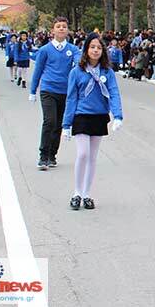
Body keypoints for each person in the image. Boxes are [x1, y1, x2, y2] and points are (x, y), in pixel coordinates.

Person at [62, 33, 123, 210]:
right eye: (92, 47)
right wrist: (66, 125)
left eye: (98, 47)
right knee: (83, 154)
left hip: (99, 116)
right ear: (86, 50)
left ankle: (87, 194)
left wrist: (118, 116)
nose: (95, 50)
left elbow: (114, 93)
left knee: (93, 157)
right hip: (81, 115)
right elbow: (71, 98)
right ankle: (77, 192)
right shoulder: (76, 71)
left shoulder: (107, 72)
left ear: (103, 51)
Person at [29, 17, 81, 170]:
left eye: (64, 26)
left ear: (67, 30)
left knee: (59, 124)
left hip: (66, 91)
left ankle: (52, 155)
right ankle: (43, 156)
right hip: (48, 90)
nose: (61, 29)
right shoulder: (45, 50)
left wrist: (78, 64)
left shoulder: (73, 49)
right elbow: (37, 70)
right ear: (53, 31)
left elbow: (78, 62)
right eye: (58, 26)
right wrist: (33, 90)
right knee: (49, 121)